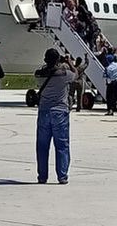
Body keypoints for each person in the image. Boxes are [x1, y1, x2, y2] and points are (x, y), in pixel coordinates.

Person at [34, 48, 76, 184]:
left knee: (42, 146)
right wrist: (68, 62)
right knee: (62, 145)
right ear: (58, 59)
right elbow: (76, 74)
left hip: (44, 111)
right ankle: (62, 176)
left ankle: (42, 176)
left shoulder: (40, 75)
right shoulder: (64, 74)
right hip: (60, 111)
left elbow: (41, 71)